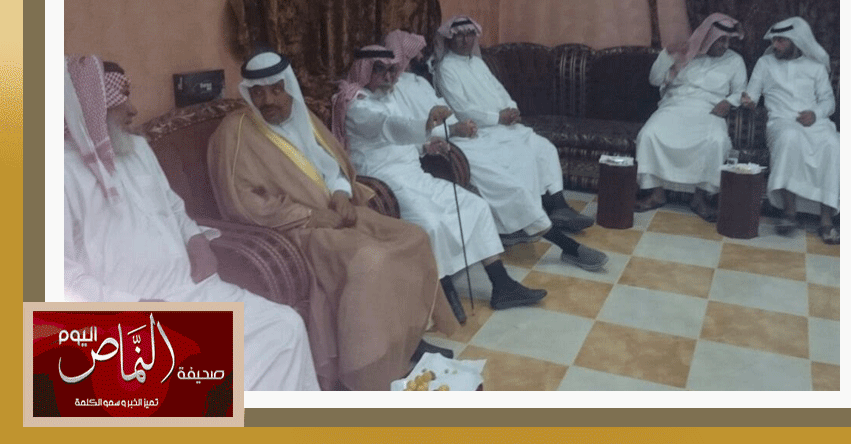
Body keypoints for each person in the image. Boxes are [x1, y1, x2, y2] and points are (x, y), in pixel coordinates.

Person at [63, 55, 320, 391]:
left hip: (195, 290)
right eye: (120, 99)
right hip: (132, 314)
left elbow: (172, 206)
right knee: (206, 378)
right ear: (89, 106)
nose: (133, 110)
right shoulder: (59, 173)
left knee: (285, 327)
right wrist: (128, 308)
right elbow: (58, 273)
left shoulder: (136, 148)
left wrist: (196, 239)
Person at [207, 50, 459, 391]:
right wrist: (312, 216)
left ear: (289, 87)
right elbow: (243, 203)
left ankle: (407, 340)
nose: (268, 101)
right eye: (259, 92)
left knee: (414, 237)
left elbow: (332, 165)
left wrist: (341, 193)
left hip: (338, 212)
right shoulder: (235, 134)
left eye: (276, 90)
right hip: (294, 230)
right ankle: (367, 369)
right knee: (371, 260)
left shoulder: (303, 116)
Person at [332, 44, 548, 325]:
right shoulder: (355, 104)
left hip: (415, 175)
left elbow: (402, 140)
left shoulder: (388, 97)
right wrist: (426, 124)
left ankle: (502, 285)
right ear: (362, 71)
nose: (387, 76)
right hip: (384, 180)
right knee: (431, 223)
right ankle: (444, 295)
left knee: (476, 206)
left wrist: (426, 146)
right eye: (379, 69)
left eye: (391, 69)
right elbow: (390, 126)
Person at [383, 29, 608, 275]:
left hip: (463, 137)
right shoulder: (393, 91)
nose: (419, 57)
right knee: (509, 187)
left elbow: (446, 111)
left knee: (518, 157)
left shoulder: (418, 82)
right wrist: (454, 130)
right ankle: (567, 246)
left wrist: (463, 125)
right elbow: (414, 131)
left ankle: (517, 227)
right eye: (413, 53)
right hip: (446, 147)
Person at [431, 15, 594, 234]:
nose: (465, 40)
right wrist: (498, 118)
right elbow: (462, 109)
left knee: (544, 148)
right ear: (449, 39)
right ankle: (535, 214)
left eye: (469, 35)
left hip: (505, 125)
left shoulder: (477, 62)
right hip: (482, 130)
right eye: (459, 36)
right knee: (521, 156)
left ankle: (559, 206)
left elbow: (500, 90)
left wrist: (512, 108)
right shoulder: (446, 69)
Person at [633, 13, 748, 222]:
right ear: (708, 38)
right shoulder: (685, 54)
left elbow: (741, 91)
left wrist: (729, 102)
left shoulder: (735, 61)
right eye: (721, 40)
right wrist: (667, 55)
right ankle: (656, 194)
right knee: (649, 134)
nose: (725, 45)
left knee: (717, 141)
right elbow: (655, 79)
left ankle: (700, 199)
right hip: (674, 106)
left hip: (708, 110)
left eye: (728, 40)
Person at [741, 17, 839, 244]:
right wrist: (748, 101)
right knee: (789, 139)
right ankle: (789, 214)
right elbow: (751, 94)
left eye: (781, 41)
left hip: (815, 123)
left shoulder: (815, 67)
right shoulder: (765, 64)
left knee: (834, 144)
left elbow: (828, 101)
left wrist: (815, 114)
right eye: (774, 40)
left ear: (797, 42)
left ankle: (826, 221)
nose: (775, 45)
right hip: (781, 122)